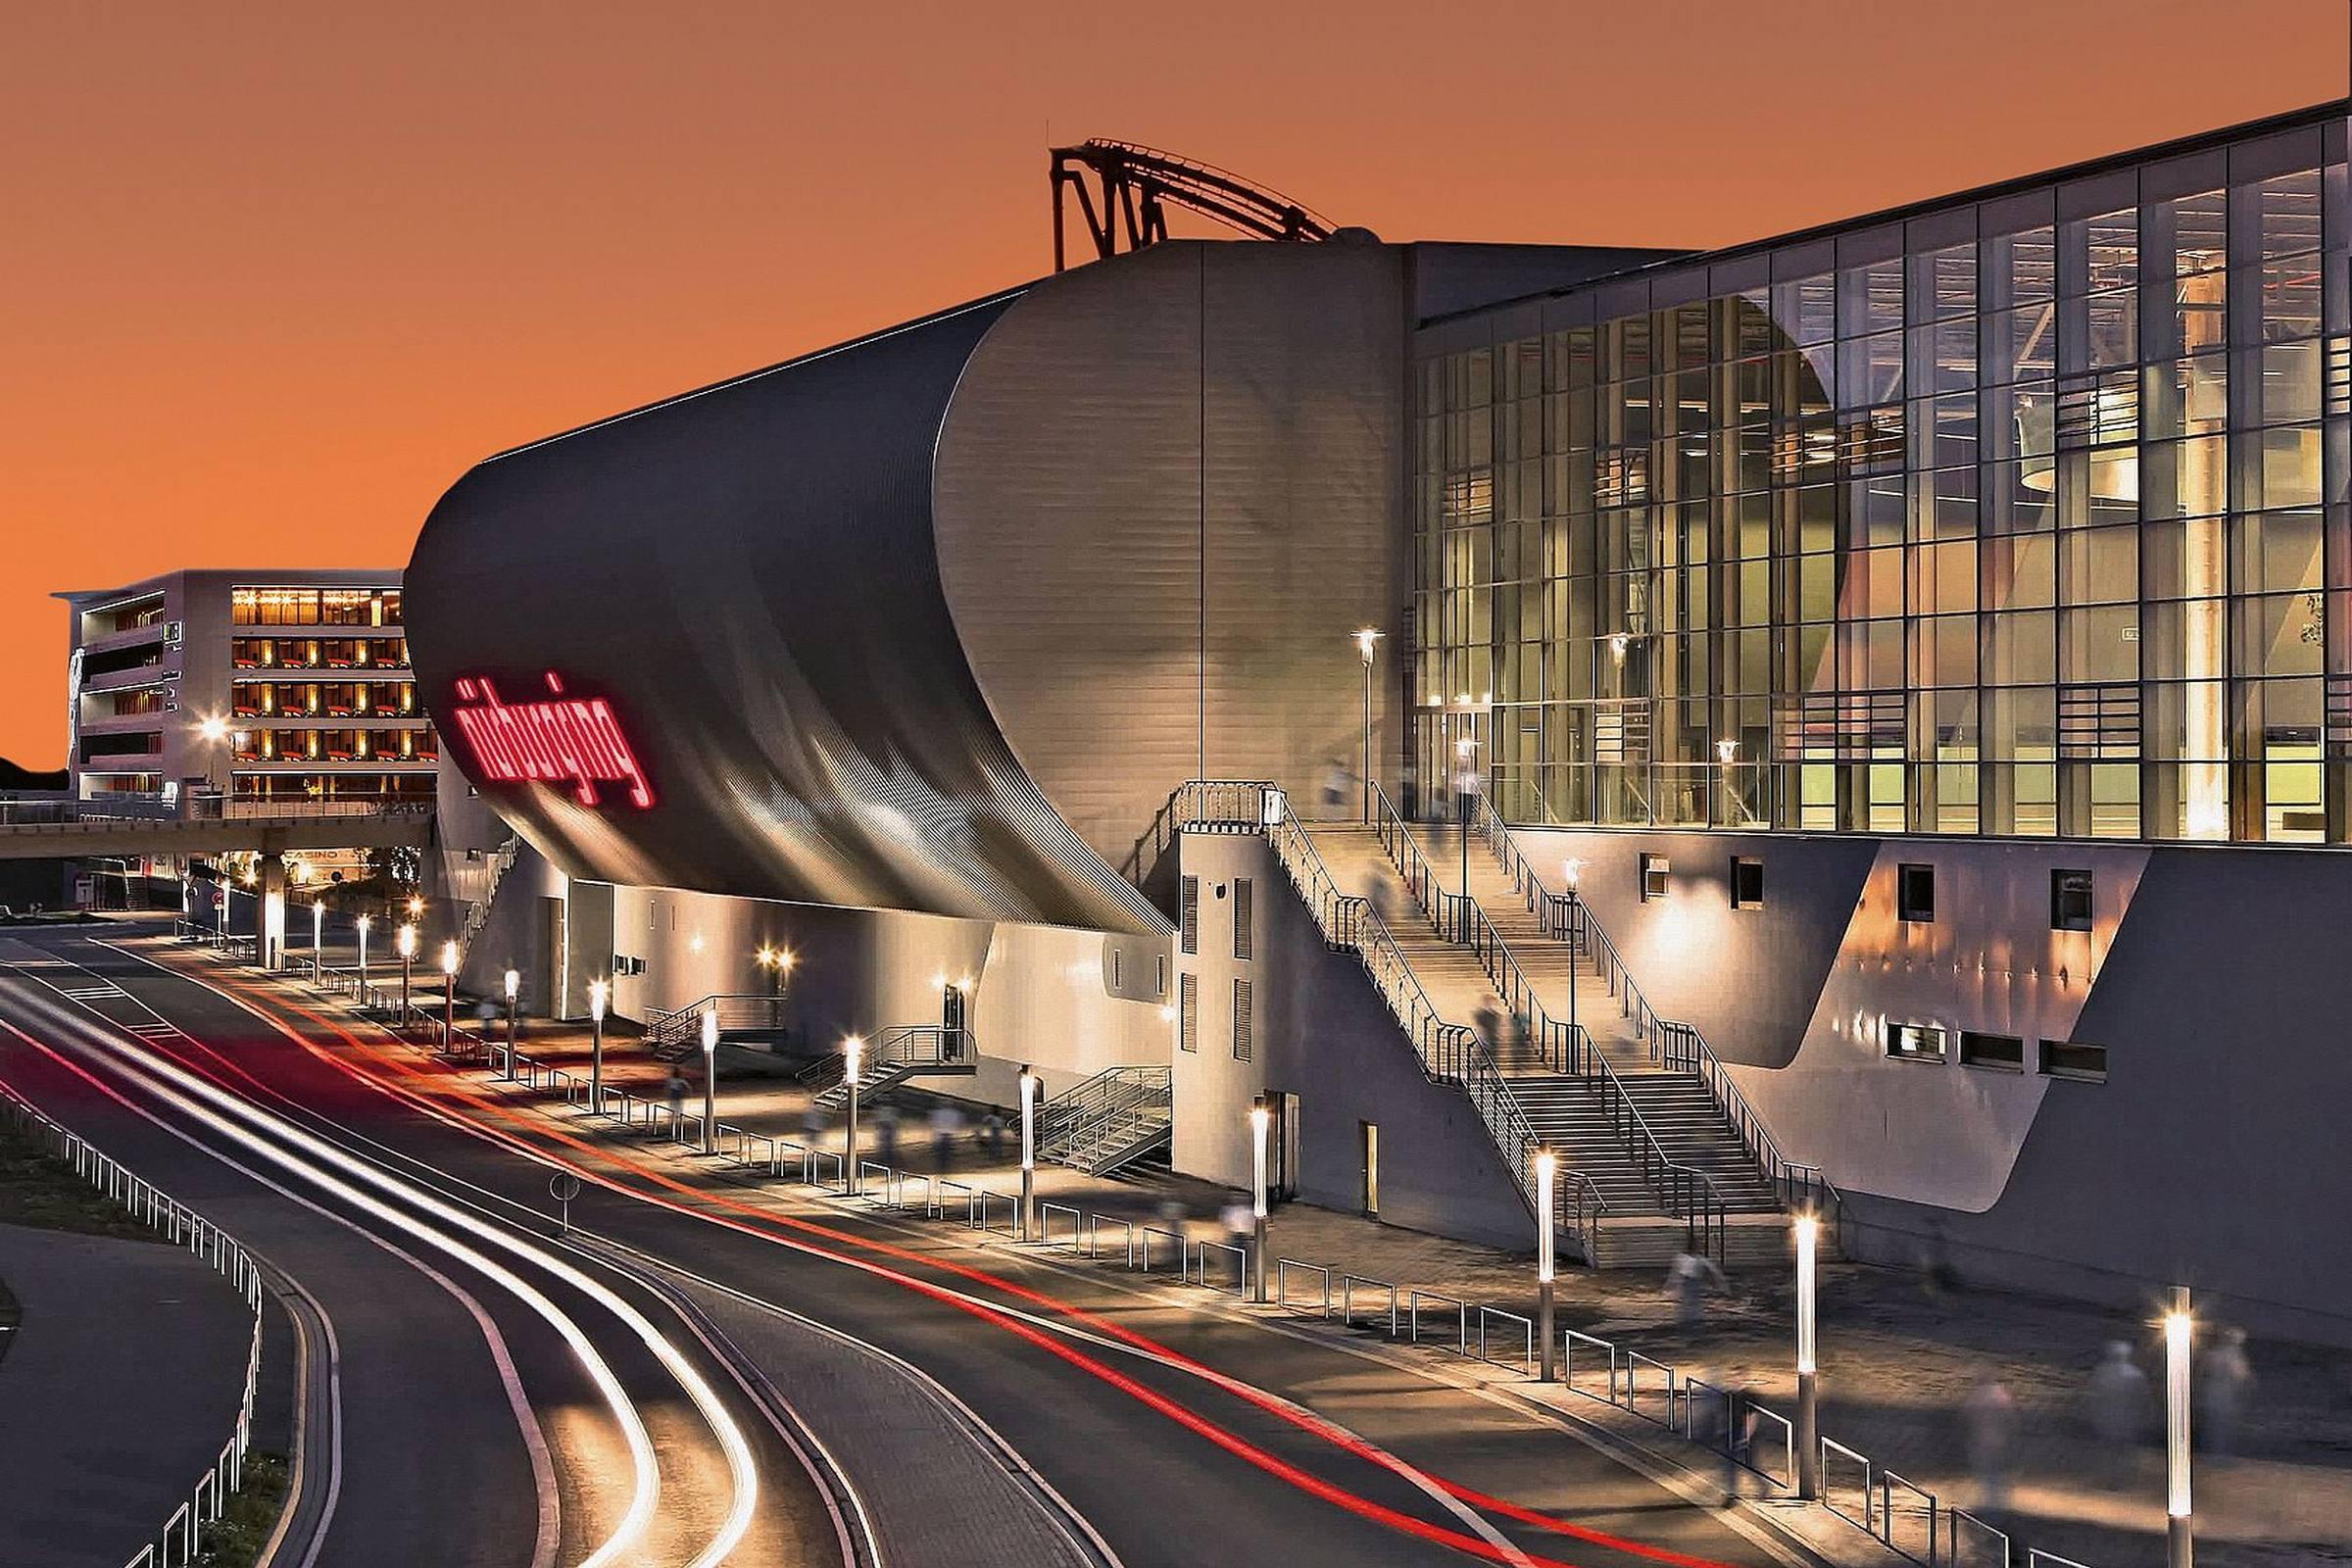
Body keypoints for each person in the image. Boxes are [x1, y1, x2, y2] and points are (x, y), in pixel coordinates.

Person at [2086, 1339, 2147, 1489]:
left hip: (2108, 1419)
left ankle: (2111, 1480)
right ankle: (2122, 1480)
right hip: (2125, 1420)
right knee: (2123, 1452)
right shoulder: (2134, 1374)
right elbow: (2141, 1399)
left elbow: (2094, 1396)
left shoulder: (2102, 1372)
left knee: (2109, 1451)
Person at [1963, 1369, 2018, 1516]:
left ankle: (1991, 1502)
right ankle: (2000, 1502)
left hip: (1981, 1441)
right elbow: (2010, 1418)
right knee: (1998, 1474)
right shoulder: (2000, 1395)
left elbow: (1968, 1417)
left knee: (1986, 1474)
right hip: (2000, 1441)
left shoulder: (1977, 1396)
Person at [2198, 1326, 2253, 1456]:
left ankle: (2212, 1456)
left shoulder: (2213, 1353)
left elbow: (2202, 1371)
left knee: (2213, 1427)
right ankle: (2222, 1458)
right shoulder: (2233, 1353)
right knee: (2225, 1427)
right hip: (2226, 1395)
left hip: (2212, 1394)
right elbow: (2240, 1374)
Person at [1665, 1238, 1727, 1331]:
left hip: (1692, 1282)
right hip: (1689, 1282)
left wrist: (1721, 1284)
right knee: (1690, 1302)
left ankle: (1690, 1320)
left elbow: (1715, 1272)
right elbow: (1716, 1272)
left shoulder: (1692, 1259)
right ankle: (1690, 1319)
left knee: (1690, 1302)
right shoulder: (1687, 1258)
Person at [929, 1102, 964, 1174]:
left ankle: (940, 1168)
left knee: (939, 1154)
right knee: (948, 1153)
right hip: (949, 1134)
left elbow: (933, 1123)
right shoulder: (955, 1113)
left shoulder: (936, 1112)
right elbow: (959, 1123)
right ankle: (946, 1168)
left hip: (939, 1134)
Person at [874, 1102, 900, 1169]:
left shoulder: (883, 1110)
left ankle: (887, 1161)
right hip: (887, 1128)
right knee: (887, 1146)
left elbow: (879, 1123)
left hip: (887, 1128)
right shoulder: (891, 1110)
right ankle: (888, 1161)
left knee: (886, 1146)